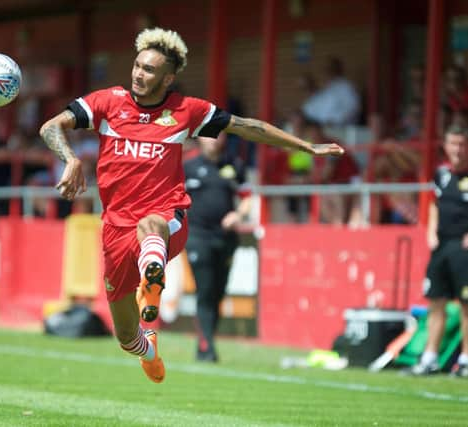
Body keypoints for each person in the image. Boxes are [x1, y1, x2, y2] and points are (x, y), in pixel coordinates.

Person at [39, 27, 344, 383]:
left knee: (149, 225)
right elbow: (50, 127)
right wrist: (71, 159)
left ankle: (152, 279)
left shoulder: (186, 111)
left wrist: (306, 148)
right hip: (114, 228)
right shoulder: (108, 102)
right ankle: (147, 348)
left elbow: (249, 127)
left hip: (167, 216)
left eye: (149, 70)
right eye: (137, 66)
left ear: (168, 78)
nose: (139, 74)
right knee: (125, 335)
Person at [184, 134, 251, 362]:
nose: (213, 139)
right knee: (205, 291)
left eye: (218, 134)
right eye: (208, 135)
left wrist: (238, 214)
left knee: (218, 293)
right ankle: (208, 348)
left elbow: (247, 196)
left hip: (226, 238)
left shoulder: (234, 165)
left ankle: (205, 343)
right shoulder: (188, 167)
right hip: (197, 236)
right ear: (199, 139)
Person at [408, 125, 468, 376]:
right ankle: (430, 357)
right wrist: (431, 232)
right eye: (453, 144)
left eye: (462, 144)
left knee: (466, 304)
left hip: (463, 247)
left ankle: (465, 361)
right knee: (436, 301)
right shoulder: (441, 174)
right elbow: (434, 203)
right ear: (445, 146)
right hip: (441, 247)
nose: (458, 149)